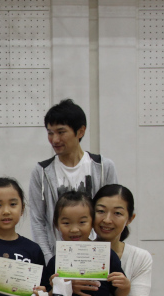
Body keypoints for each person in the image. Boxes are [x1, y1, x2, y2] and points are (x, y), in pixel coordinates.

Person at [29, 99, 118, 262]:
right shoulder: (41, 172)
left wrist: (107, 254)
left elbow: (112, 213)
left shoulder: (103, 167)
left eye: (61, 132)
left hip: (97, 258)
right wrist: (49, 259)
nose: (54, 139)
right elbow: (37, 220)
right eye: (50, 133)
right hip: (58, 259)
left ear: (80, 131)